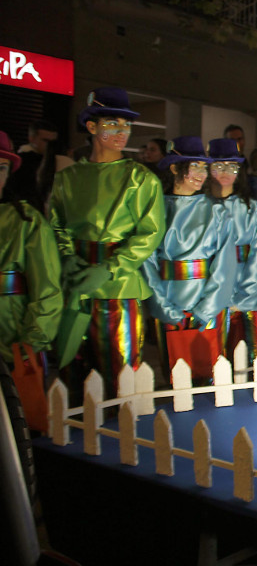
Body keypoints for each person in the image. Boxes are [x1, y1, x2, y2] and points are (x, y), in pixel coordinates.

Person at [49, 88, 165, 395]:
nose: (122, 132)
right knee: (72, 370)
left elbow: (150, 233)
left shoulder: (140, 179)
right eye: (113, 124)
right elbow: (57, 225)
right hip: (75, 284)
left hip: (118, 290)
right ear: (91, 127)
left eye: (127, 125)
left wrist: (110, 268)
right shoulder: (67, 178)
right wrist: (67, 257)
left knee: (120, 373)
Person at [142, 136, 237, 379]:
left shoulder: (217, 211)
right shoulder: (155, 210)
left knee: (210, 369)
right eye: (194, 166)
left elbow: (225, 265)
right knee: (175, 370)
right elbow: (147, 261)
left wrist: (207, 308)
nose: (201, 174)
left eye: (204, 167)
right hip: (167, 298)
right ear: (175, 168)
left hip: (207, 300)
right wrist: (163, 307)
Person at [0, 130, 62, 367]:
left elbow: (47, 284)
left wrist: (33, 340)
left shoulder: (26, 219)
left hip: (13, 334)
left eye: (1, 168)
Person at [208, 138, 257, 362]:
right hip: (210, 288)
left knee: (248, 355)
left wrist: (246, 294)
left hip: (244, 285)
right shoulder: (201, 206)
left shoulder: (252, 209)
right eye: (219, 166)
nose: (226, 172)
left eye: (232, 166)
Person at [9, 119, 57, 211]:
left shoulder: (56, 161)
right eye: (45, 141)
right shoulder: (20, 162)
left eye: (53, 143)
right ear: (32, 138)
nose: (50, 146)